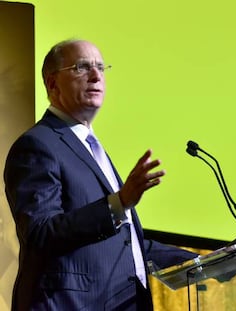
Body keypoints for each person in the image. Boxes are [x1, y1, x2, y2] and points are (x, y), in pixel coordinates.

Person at [3, 39, 198, 311]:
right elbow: (40, 233)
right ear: (52, 84)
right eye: (82, 67)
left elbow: (124, 244)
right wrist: (118, 203)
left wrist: (197, 262)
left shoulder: (92, 148)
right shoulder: (38, 145)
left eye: (100, 67)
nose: (96, 76)